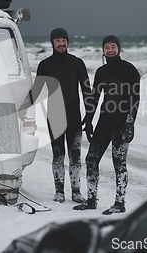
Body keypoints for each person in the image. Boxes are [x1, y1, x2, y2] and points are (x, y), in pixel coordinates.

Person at [20, 28, 92, 203]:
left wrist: (89, 116)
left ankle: (76, 191)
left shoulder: (77, 63)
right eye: (58, 40)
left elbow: (86, 91)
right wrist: (23, 108)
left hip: (74, 116)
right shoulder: (46, 65)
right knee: (58, 154)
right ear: (53, 43)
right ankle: (59, 191)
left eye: (64, 40)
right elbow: (37, 90)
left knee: (75, 156)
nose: (61, 43)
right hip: (55, 118)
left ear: (68, 42)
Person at [74, 35, 140, 215]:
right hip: (105, 121)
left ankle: (120, 203)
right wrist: (88, 120)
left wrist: (130, 123)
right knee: (91, 159)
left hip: (121, 123)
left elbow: (135, 98)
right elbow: (95, 98)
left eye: (113, 46)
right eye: (107, 47)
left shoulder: (129, 69)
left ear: (119, 48)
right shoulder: (101, 72)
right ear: (102, 50)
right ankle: (91, 199)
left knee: (119, 163)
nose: (110, 50)